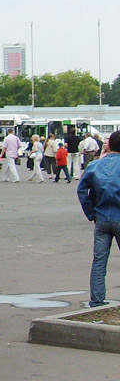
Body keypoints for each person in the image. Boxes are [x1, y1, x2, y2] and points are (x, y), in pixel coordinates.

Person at [77, 131, 120, 307]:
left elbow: (82, 190)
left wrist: (91, 213)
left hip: (102, 217)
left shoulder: (95, 166)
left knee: (99, 261)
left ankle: (96, 299)